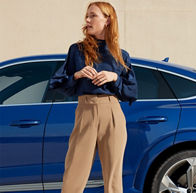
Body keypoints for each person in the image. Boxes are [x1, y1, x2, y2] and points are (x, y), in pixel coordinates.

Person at [48, 1, 137, 193]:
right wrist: (77, 75)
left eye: (93, 16)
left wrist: (115, 78)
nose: (87, 20)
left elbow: (131, 93)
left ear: (107, 20)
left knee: (113, 177)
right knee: (74, 171)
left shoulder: (121, 55)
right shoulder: (77, 50)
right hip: (86, 111)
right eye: (86, 16)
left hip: (113, 112)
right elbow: (56, 83)